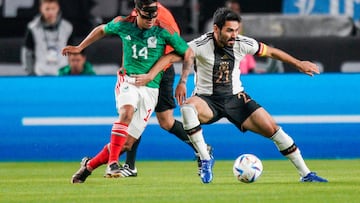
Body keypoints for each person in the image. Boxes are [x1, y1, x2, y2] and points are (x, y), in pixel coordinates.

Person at [145, 7, 328, 184]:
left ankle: (306, 174)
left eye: (236, 30)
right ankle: (205, 158)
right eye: (229, 31)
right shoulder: (200, 45)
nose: (234, 35)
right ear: (215, 29)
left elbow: (271, 52)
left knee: (274, 130)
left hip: (236, 99)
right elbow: (169, 58)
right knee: (187, 109)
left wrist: (298, 64)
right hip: (207, 100)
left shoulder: (242, 43)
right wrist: (151, 75)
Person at [63, 0, 193, 183]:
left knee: (127, 143)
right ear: (136, 12)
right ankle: (113, 163)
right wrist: (79, 48)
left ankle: (89, 166)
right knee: (127, 111)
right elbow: (101, 29)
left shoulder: (164, 27)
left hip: (151, 88)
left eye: (153, 16)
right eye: (147, 16)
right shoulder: (123, 24)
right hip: (128, 79)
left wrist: (182, 81)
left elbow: (186, 53)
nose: (151, 21)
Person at [118, 1, 211, 178]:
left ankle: (202, 147)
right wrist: (125, 65)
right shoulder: (137, 12)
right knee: (139, 114)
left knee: (165, 121)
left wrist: (177, 79)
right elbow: (130, 40)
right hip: (139, 71)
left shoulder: (161, 16)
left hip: (161, 73)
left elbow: (178, 50)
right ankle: (130, 166)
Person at [21, 0, 73, 76]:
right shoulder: (33, 27)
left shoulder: (67, 27)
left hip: (62, 74)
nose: (50, 12)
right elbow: (27, 53)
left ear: (58, 8)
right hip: (40, 74)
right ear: (41, 9)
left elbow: (72, 52)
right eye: (47, 9)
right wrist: (31, 73)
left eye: (53, 8)